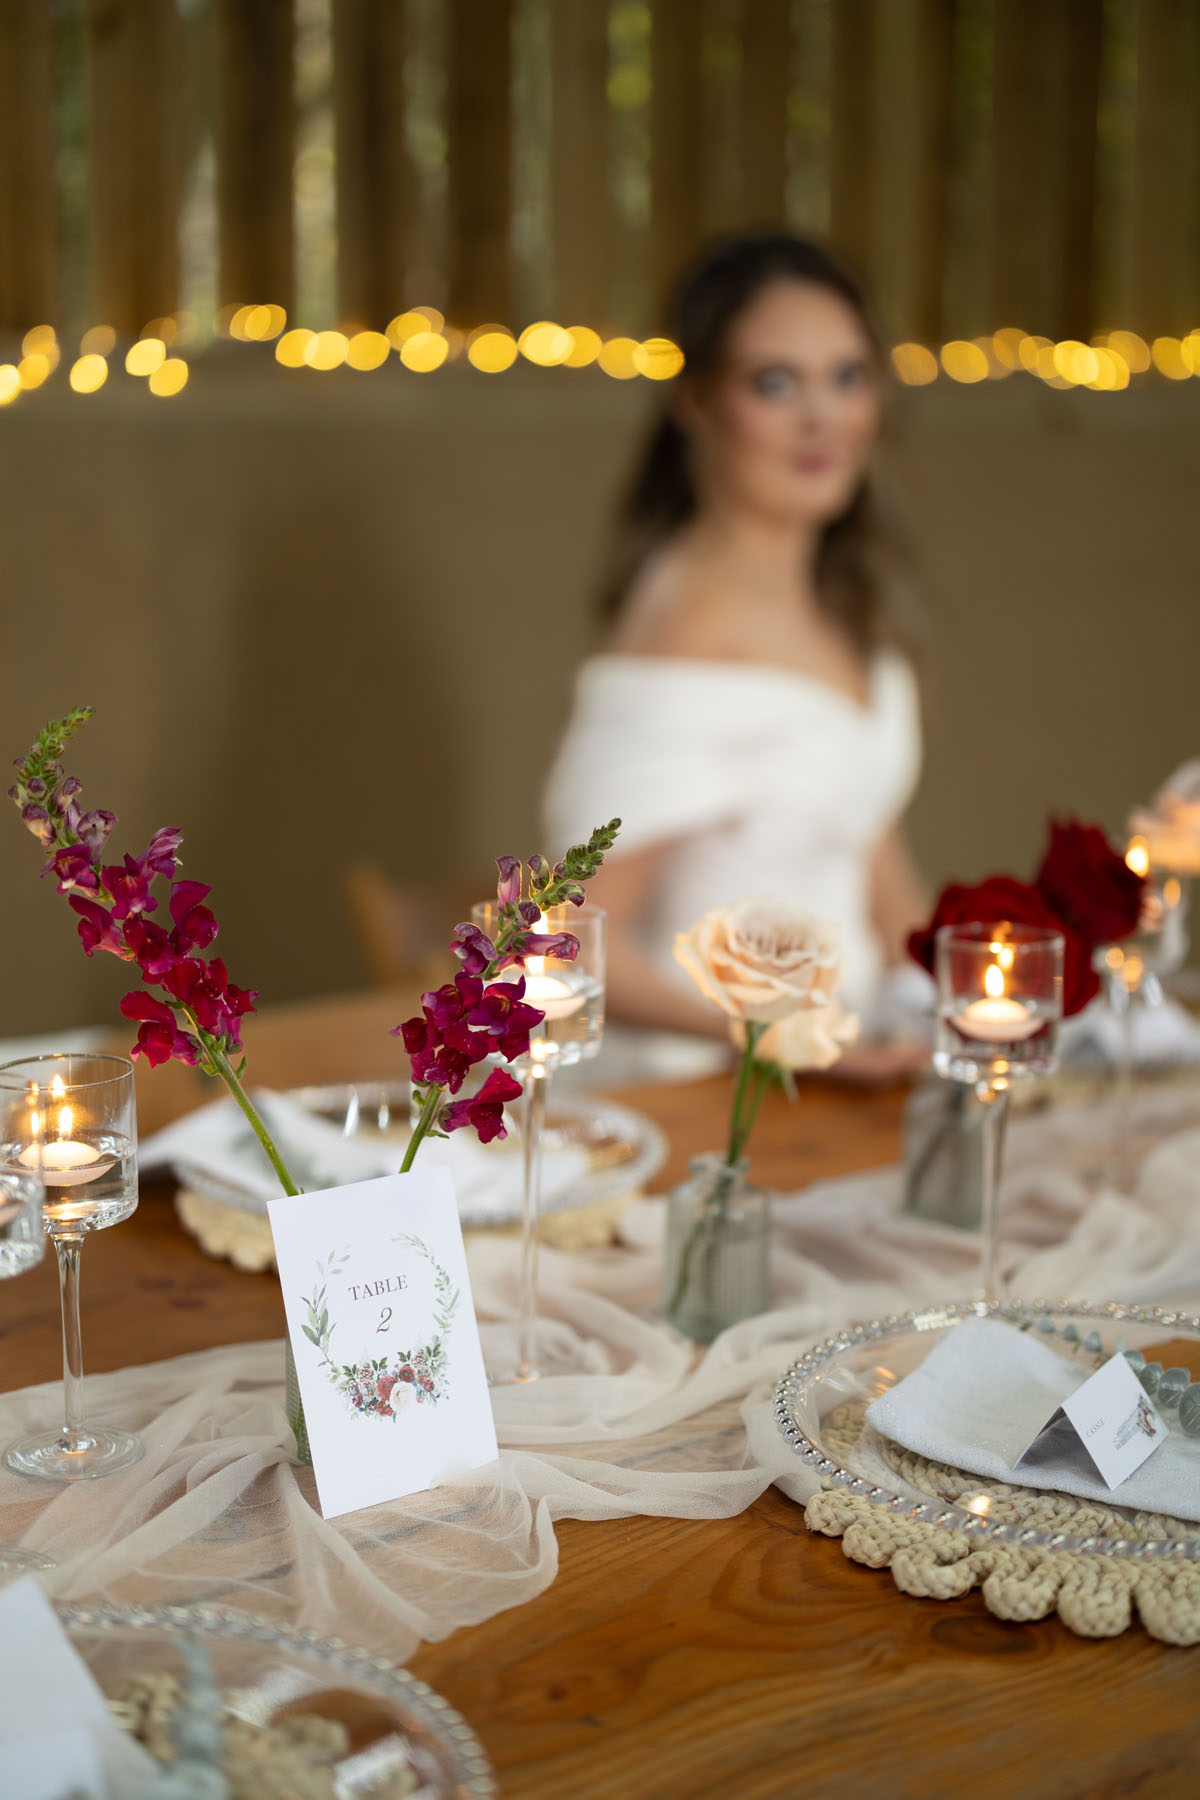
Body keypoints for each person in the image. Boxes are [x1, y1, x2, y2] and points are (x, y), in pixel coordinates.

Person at [543, 233, 930, 1082]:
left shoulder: (838, 603)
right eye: (775, 382)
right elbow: (568, 941)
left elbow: (865, 837)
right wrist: (791, 1043)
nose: (821, 417)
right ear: (696, 401)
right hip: (707, 1100)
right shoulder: (691, 623)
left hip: (851, 1078)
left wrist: (958, 996)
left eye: (847, 375)